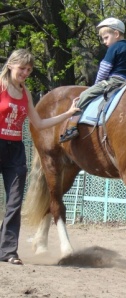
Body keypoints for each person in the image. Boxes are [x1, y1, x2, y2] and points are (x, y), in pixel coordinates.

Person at [0, 49, 80, 265]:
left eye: (29, 69)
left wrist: (67, 114)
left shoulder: (25, 93)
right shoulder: (1, 87)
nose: (25, 73)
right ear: (10, 65)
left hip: (15, 149)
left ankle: (7, 251)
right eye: (22, 68)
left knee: (14, 201)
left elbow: (39, 123)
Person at [60, 17, 126, 143]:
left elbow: (105, 68)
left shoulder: (114, 48)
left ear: (116, 34)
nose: (104, 42)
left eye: (106, 37)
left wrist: (97, 84)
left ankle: (71, 126)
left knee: (85, 95)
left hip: (115, 82)